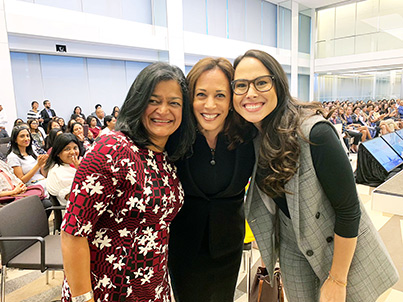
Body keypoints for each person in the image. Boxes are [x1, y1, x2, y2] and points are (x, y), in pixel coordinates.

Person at [232, 49, 398, 302]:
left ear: (278, 84)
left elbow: (349, 210)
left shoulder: (315, 133)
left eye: (261, 82)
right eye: (241, 85)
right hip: (292, 249)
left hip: (338, 248)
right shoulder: (253, 136)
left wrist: (338, 279)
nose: (250, 92)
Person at [60, 62, 195, 302]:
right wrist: (83, 298)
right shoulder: (112, 149)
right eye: (154, 100)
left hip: (151, 287)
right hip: (107, 289)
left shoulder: (165, 157)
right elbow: (73, 232)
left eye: (174, 103)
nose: (163, 110)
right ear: (138, 102)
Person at [168, 58, 255, 302]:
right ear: (189, 98)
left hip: (229, 245)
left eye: (219, 95)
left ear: (231, 100)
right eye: (201, 94)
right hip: (183, 246)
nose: (209, 104)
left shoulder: (248, 136)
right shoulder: (174, 137)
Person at [45, 133, 80, 206]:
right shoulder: (57, 172)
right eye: (67, 149)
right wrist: (81, 172)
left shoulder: (73, 164)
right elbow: (75, 198)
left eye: (75, 148)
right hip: (73, 211)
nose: (73, 152)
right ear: (58, 153)